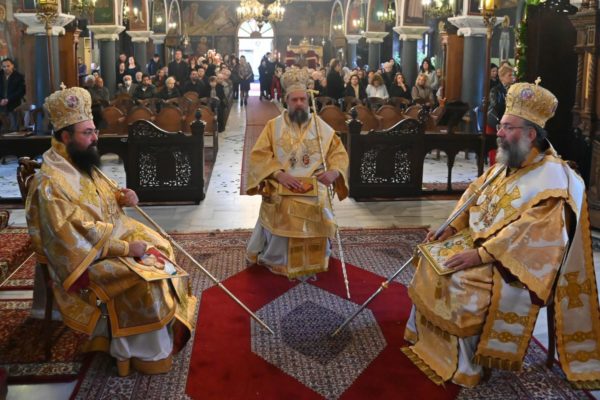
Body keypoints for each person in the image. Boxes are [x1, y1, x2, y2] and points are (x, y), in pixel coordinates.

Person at [402, 81, 600, 389]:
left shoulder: (553, 179)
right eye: (501, 125)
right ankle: (430, 344)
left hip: (514, 263)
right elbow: (473, 195)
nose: (499, 133)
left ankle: (466, 365)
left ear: (531, 134)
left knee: (459, 279)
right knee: (429, 258)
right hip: (480, 242)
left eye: (508, 127)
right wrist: (451, 227)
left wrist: (480, 255)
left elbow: (534, 233)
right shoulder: (506, 163)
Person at [25, 87, 196, 377]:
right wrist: (128, 249)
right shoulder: (51, 183)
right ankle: (138, 352)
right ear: (65, 137)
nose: (95, 138)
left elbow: (99, 195)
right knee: (146, 276)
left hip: (112, 236)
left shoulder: (79, 159)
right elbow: (73, 237)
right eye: (87, 133)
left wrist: (121, 196)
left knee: (162, 247)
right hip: (86, 260)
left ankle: (159, 333)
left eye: (94, 131)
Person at [245, 68, 349, 278]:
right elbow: (259, 156)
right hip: (282, 182)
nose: (300, 103)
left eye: (303, 99)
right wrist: (278, 174)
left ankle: (315, 257)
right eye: (295, 100)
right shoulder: (273, 126)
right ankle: (278, 259)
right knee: (284, 203)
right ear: (286, 101)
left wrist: (334, 172)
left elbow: (338, 153)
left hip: (314, 183)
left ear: (308, 100)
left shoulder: (321, 128)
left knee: (318, 202)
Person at [487, 64, 514, 165]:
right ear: (501, 77)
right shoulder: (495, 90)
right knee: (494, 148)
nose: (512, 77)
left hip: (507, 123)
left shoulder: (513, 90)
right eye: (509, 75)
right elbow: (496, 106)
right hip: (495, 122)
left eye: (513, 75)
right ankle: (494, 169)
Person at [0, 58, 25, 132]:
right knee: (3, 129)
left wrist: (8, 99)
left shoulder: (19, 76)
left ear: (12, 66)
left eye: (8, 66)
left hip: (14, 105)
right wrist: (1, 100)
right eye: (4, 66)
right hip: (1, 105)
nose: (6, 68)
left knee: (14, 129)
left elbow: (21, 91)